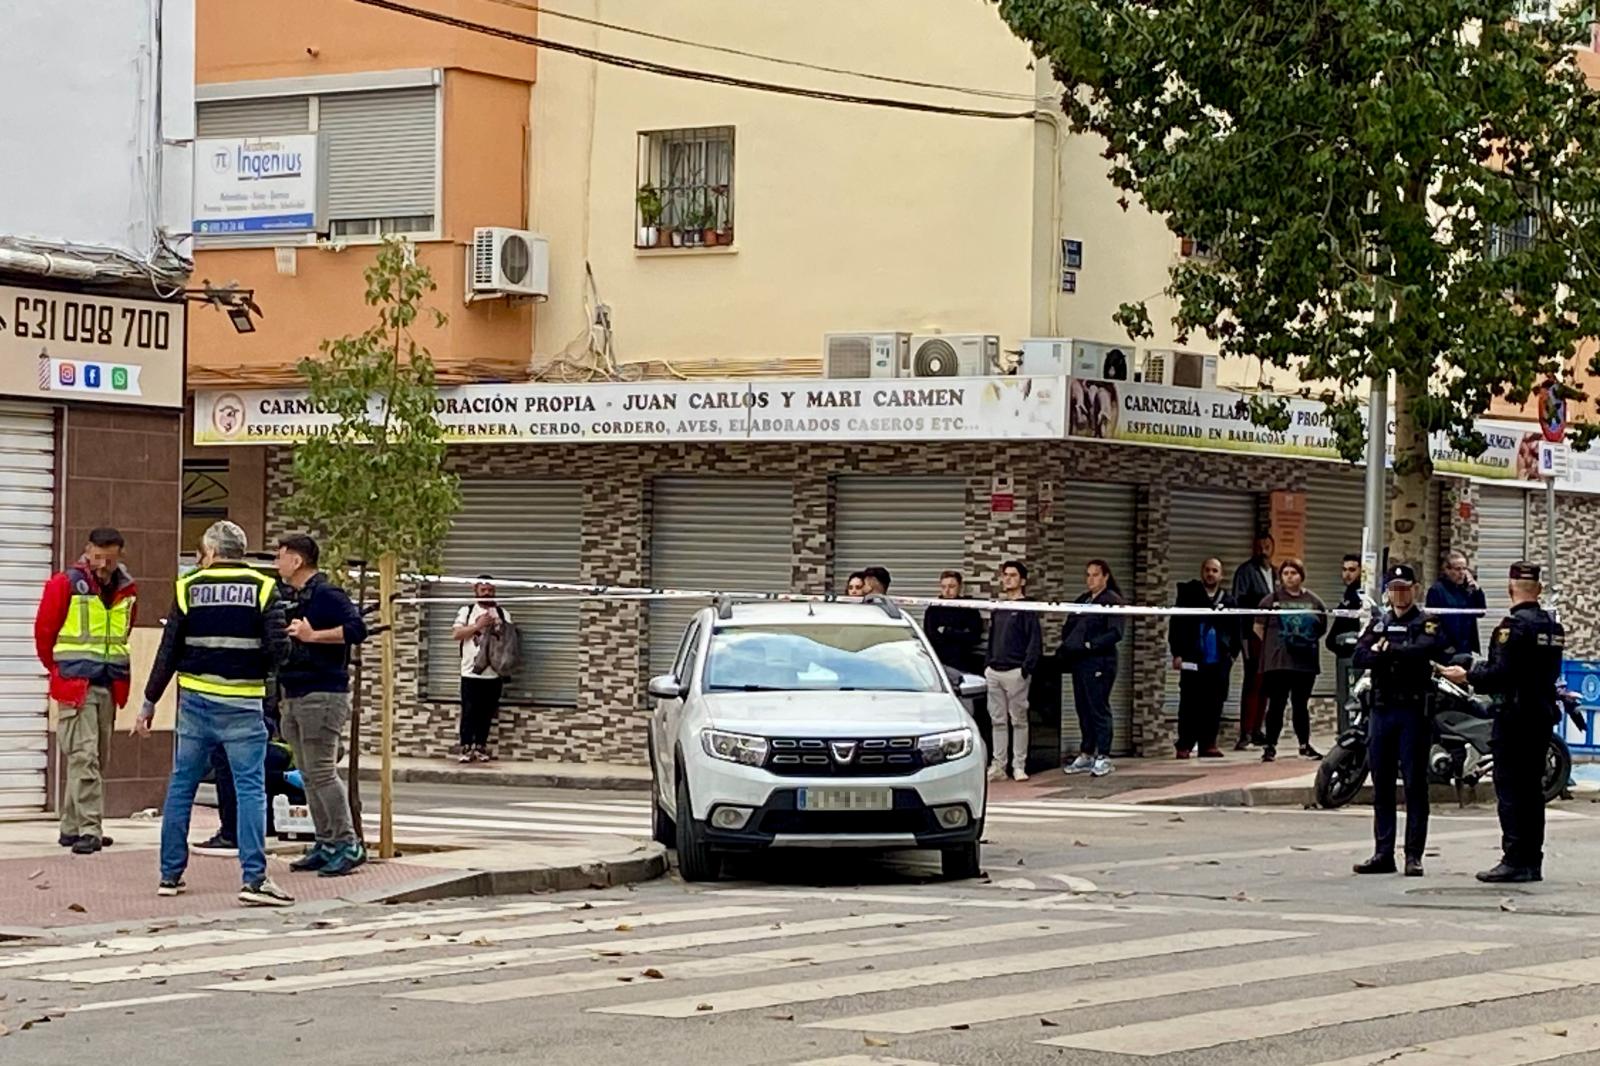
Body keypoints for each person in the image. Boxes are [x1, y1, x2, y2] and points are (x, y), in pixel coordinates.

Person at [136, 521, 292, 906]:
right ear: (241, 550)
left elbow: (168, 650)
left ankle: (169, 875)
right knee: (250, 789)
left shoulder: (188, 587)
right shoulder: (264, 588)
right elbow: (279, 651)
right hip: (241, 704)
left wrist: (149, 701)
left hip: (195, 704)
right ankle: (254, 880)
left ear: (210, 550)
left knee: (181, 787)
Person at [1441, 562, 1565, 883]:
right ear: (1538, 589)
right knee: (1532, 792)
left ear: (1510, 589)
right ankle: (1531, 860)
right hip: (1541, 715)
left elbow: (1502, 674)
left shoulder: (1512, 627)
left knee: (1510, 789)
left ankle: (1514, 858)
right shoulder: (1553, 628)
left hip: (1515, 717)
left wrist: (1467, 675)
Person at [34, 527, 137, 855]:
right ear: (87, 550)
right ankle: (90, 829)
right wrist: (59, 670)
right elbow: (44, 633)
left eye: (110, 557)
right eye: (98, 555)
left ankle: (71, 826)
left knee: (94, 759)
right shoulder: (64, 584)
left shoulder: (126, 589)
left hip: (109, 683)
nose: (103, 564)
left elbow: (125, 630)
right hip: (76, 684)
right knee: (85, 757)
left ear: (120, 555)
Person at [276, 534, 370, 877]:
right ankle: (326, 841)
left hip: (322, 694)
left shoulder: (326, 593)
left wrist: (313, 636)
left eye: (280, 556)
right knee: (308, 775)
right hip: (295, 691)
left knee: (322, 773)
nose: (276, 562)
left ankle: (347, 843)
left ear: (297, 561)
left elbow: (358, 628)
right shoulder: (292, 596)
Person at [1352, 564, 1448, 878]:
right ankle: (1383, 852)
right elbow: (1359, 657)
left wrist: (1389, 650)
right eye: (1394, 588)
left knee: (1415, 785)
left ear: (1415, 588)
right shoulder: (1379, 621)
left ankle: (1413, 855)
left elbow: (1427, 651)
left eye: (1404, 587)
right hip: (1382, 710)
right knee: (1381, 784)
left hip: (1412, 712)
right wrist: (1390, 652)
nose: (1399, 593)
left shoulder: (1427, 622)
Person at [1253, 558, 1328, 763]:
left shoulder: (1314, 601)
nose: (1289, 577)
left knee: (1300, 705)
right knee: (1276, 704)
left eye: (1293, 573)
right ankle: (1270, 746)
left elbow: (1321, 627)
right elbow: (1258, 627)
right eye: (1285, 573)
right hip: (1278, 664)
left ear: (1301, 575)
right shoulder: (1270, 600)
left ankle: (1304, 744)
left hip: (1304, 664)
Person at [1060, 560, 1126, 777]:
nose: (1091, 579)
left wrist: (1091, 644)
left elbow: (1115, 632)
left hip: (1100, 662)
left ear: (1105, 576)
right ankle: (1086, 752)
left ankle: (1104, 755)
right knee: (1083, 707)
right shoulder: (1084, 600)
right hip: (1080, 661)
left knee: (1098, 707)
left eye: (1095, 575)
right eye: (1088, 575)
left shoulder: (1112, 601)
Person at [1169, 558, 1240, 759]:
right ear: (1202, 572)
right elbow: (1177, 625)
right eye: (1207, 570)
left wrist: (1232, 655)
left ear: (1221, 575)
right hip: (1192, 659)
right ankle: (1184, 745)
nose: (1211, 574)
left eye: (1215, 570)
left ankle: (1208, 744)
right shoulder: (1188, 596)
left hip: (1218, 661)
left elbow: (1236, 630)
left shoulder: (1229, 600)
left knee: (1214, 703)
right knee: (1189, 704)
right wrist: (1177, 653)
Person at [984, 560, 1041, 782]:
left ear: (1023, 580)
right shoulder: (999, 608)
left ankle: (1019, 765)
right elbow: (992, 638)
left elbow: (1035, 640)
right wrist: (988, 664)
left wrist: (1026, 668)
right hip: (994, 671)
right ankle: (999, 765)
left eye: (1013, 575)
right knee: (997, 720)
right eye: (1005, 575)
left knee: (1018, 720)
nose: (1008, 579)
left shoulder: (1027, 608)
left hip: (1016, 671)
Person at [452, 575, 511, 763]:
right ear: (476, 591)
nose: (487, 594)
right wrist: (477, 626)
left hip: (494, 673)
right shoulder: (466, 611)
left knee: (487, 713)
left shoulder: (502, 613)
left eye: (491, 591)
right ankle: (466, 747)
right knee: (469, 711)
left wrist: (497, 627)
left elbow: (509, 640)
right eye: (483, 590)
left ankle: (480, 746)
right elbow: (456, 634)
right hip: (470, 672)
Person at [1232, 532, 1277, 750]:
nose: (1263, 551)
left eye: (1267, 546)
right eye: (1260, 547)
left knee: (1267, 682)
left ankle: (1259, 729)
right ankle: (1246, 732)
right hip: (1252, 632)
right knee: (1252, 681)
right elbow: (1239, 602)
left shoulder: (1276, 573)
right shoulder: (1246, 572)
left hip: (1273, 635)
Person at [1326, 553, 1377, 721]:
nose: (1347, 574)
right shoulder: (1349, 595)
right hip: (1346, 657)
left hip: (1355, 657)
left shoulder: (1362, 597)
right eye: (1344, 570)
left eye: (1352, 570)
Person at [1427, 551, 1486, 656]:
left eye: (1464, 569)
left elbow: (1481, 612)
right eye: (1458, 569)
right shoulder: (1437, 590)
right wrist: (1445, 646)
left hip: (1465, 648)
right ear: (1447, 570)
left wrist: (1477, 590)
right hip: (1447, 649)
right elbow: (1432, 621)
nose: (1462, 573)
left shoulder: (1467, 590)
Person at [924, 571, 983, 672]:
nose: (947, 591)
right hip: (938, 663)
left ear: (960, 587)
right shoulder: (933, 609)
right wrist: (958, 633)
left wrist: (947, 631)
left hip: (962, 662)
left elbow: (974, 636)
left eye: (951, 586)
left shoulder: (968, 608)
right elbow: (930, 635)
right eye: (943, 587)